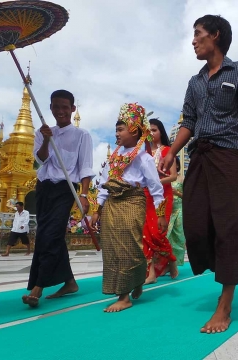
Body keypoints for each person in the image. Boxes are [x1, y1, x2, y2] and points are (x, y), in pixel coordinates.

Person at [158, 15, 238, 333]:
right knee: (195, 224)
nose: (193, 41)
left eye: (198, 34)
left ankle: (225, 302)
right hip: (198, 157)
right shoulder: (194, 82)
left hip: (228, 156)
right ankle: (224, 265)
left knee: (227, 225)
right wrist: (172, 151)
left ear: (215, 36)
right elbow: (188, 120)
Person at [91, 103, 168, 313]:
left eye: (120, 129)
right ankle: (131, 283)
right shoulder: (113, 159)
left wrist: (161, 214)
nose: (117, 133)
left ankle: (124, 297)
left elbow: (155, 187)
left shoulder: (144, 158)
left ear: (134, 130)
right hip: (112, 204)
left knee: (128, 246)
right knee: (112, 248)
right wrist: (97, 209)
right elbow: (103, 185)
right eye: (116, 129)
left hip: (133, 201)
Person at [22, 90, 94, 308]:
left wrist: (83, 195)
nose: (60, 111)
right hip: (44, 188)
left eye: (65, 107)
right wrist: (45, 140)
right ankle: (70, 282)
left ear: (72, 109)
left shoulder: (83, 136)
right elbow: (41, 160)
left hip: (66, 189)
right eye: (56, 107)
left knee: (50, 235)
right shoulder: (43, 132)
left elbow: (85, 167)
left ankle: (38, 287)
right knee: (48, 234)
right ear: (51, 108)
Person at [143, 119, 178, 284]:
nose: (151, 133)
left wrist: (154, 182)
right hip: (146, 196)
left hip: (164, 196)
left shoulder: (167, 150)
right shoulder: (143, 153)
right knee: (146, 234)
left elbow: (173, 176)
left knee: (158, 233)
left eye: (154, 130)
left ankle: (171, 259)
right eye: (148, 130)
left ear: (161, 132)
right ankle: (150, 273)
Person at [166, 159, 186, 267]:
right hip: (167, 211)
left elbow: (188, 197)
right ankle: (164, 264)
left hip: (179, 211)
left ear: (177, 165)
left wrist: (177, 193)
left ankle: (173, 265)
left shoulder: (182, 178)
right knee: (165, 237)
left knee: (177, 238)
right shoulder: (165, 179)